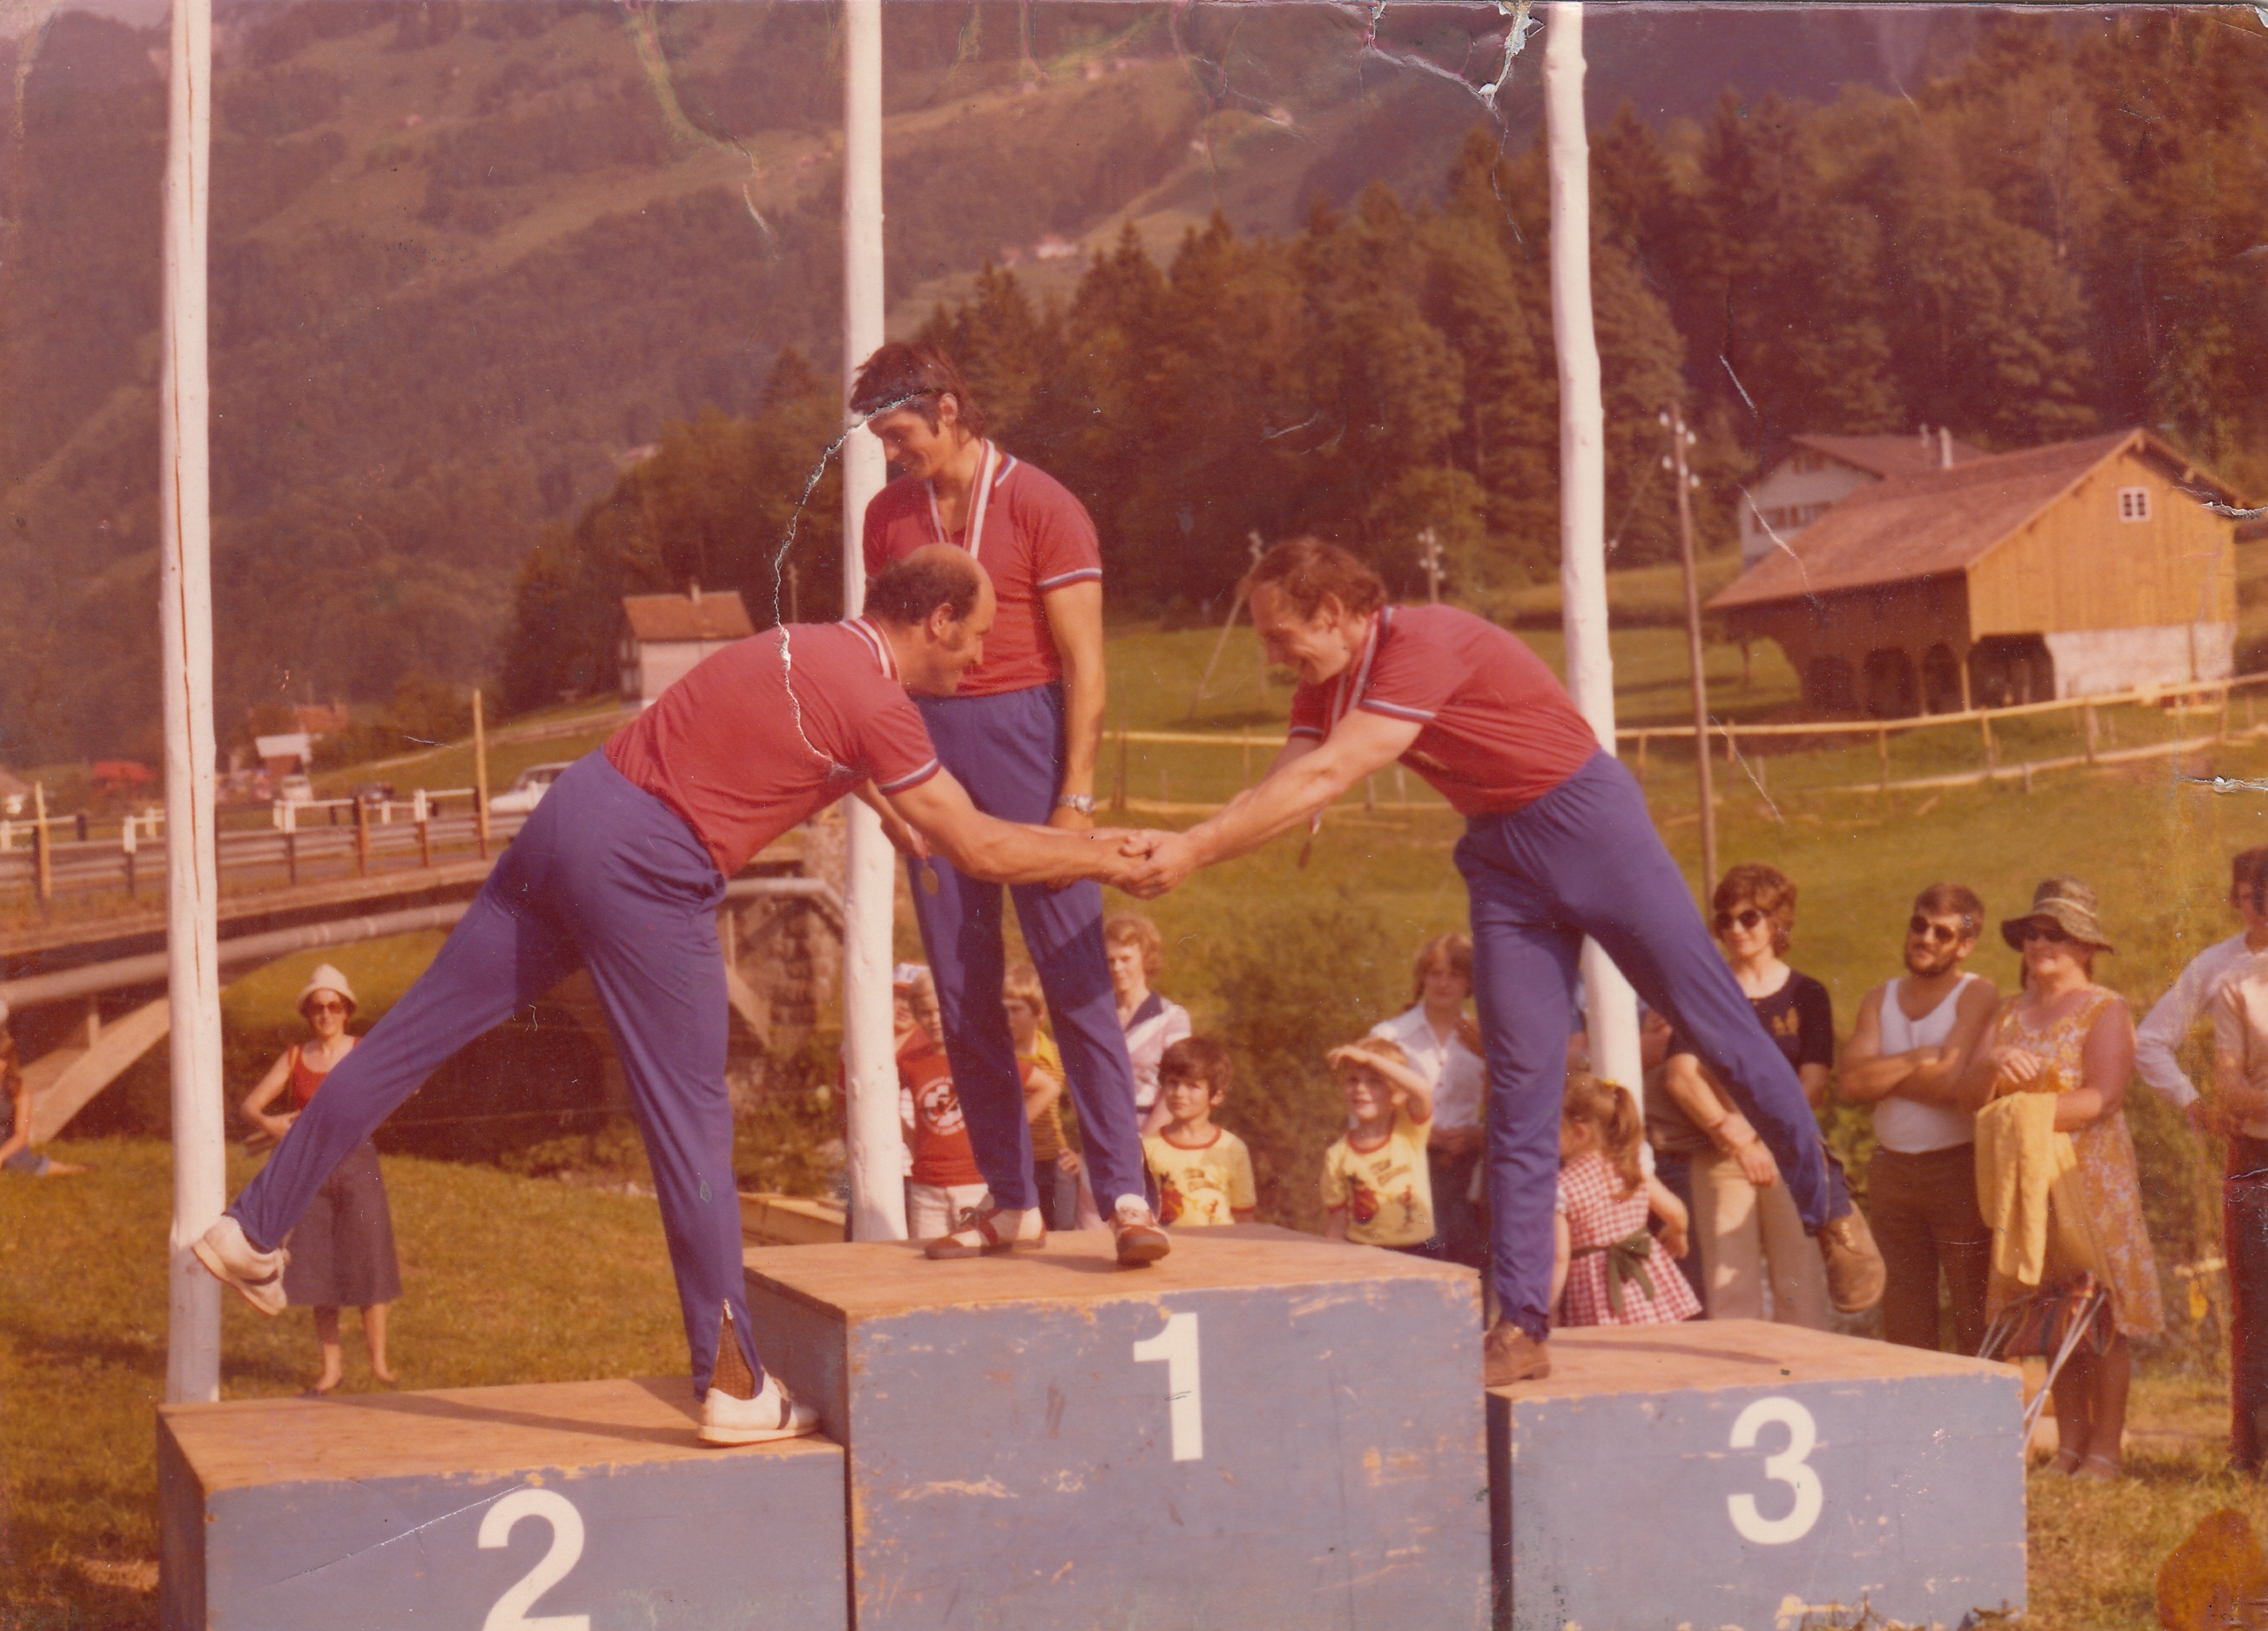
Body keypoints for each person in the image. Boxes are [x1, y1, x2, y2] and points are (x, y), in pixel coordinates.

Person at [196, 546, 1149, 1447]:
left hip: (569, 817)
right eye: (976, 635)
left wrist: (883, 804)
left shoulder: (799, 643)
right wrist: (1103, 854)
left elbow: (826, 742)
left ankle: (251, 1226)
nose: (980, 655)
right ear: (936, 619)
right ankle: (732, 1383)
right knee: (693, 1127)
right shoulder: (881, 703)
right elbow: (978, 843)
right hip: (650, 868)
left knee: (401, 1044)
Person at [1122, 539, 1882, 1384]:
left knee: (1720, 1026)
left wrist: (1193, 850)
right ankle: (1521, 1323)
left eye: (1278, 635)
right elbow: (1283, 782)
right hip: (1504, 859)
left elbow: (1330, 771)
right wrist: (1183, 841)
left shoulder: (1423, 643)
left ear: (1332, 613)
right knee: (1520, 1086)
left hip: (1590, 827)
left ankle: (1829, 1206)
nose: (1270, 656)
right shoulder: (1324, 679)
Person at [854, 343, 1165, 1268]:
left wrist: (1075, 795)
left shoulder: (1043, 504)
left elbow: (1085, 664)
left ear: (948, 410)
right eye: (878, 440)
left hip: (1029, 741)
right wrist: (887, 788)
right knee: (959, 984)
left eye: (899, 433)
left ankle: (1123, 1195)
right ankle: (1008, 1199)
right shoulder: (886, 516)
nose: (890, 454)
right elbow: (879, 659)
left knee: (1074, 972)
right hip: (928, 748)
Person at [1957, 876, 2161, 1481]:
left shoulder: (2105, 1008)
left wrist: (2022, 1111)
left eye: (2058, 934)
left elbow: (2103, 1097)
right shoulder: (2007, 1012)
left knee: (2100, 1310)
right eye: (2034, 932)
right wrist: (1993, 1061)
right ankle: (2069, 1444)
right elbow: (1968, 1096)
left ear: (2086, 947)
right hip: (2029, 1182)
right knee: (2050, 1310)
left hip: (2088, 1174)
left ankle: (2106, 1450)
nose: (2042, 944)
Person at [1657, 864, 1835, 1329]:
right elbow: (1681, 1077)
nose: (1736, 930)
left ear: (1778, 921)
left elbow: (1813, 1085)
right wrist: (1735, 1138)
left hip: (1791, 1152)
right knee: (1728, 1295)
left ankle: (1805, 1374)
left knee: (1801, 1288)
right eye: (1726, 920)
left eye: (1749, 918)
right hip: (1720, 1153)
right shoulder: (1707, 994)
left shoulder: (1807, 994)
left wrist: (1754, 1128)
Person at [1839, 884, 2000, 1353]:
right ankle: (1917, 1403)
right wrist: (1916, 1059)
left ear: (1965, 945)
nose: (1926, 938)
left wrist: (1883, 1074)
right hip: (1892, 1171)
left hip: (1958, 1169)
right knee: (1904, 1313)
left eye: (1942, 933)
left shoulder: (1976, 993)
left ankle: (1982, 1401)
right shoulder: (1879, 998)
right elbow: (1850, 1082)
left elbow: (1952, 1085)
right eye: (1919, 925)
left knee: (1974, 1307)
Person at [239, 965, 400, 1395]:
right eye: (317, 1008)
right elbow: (250, 1106)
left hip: (358, 1165)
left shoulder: (364, 1051)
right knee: (317, 1268)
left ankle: (379, 1364)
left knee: (370, 1261)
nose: (325, 1014)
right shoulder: (295, 1057)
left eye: (333, 1006)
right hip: (309, 1172)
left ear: (346, 1012)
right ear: (309, 1015)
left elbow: (402, 1082)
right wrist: (271, 1125)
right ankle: (331, 1370)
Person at [1370, 934, 1488, 1267]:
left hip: (1466, 1168)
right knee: (1412, 1261)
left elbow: (1507, 1103)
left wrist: (1478, 1136)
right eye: (1435, 973)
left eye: (1455, 975)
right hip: (1407, 1164)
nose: (1443, 983)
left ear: (1469, 982)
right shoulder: (1390, 1035)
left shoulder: (1482, 1038)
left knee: (1466, 1264)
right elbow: (1366, 1108)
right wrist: (1415, 1131)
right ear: (1422, 978)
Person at [2135, 845, 2268, 1130]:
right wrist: (2197, 1107)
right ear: (2236, 899)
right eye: (2249, 897)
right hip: (2255, 1134)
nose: (2262, 908)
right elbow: (2149, 1041)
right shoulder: (2216, 964)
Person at [1552, 1074, 1699, 1327]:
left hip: (1595, 1288)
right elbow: (1675, 1211)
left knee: (1606, 1346)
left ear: (1579, 1132)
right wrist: (1678, 1232)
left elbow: (1559, 1258)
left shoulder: (1560, 1188)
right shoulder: (1630, 1165)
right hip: (1641, 1275)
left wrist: (1550, 1308)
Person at [2207, 934, 2268, 1472]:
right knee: (2256, 1310)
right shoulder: (2241, 984)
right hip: (2258, 1156)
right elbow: (2229, 1088)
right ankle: (2250, 1452)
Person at [1321, 1036, 1436, 1256]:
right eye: (1352, 1080)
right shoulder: (1337, 1155)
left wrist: (1369, 1058)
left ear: (1398, 1094)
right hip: (1364, 1252)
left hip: (1418, 1250)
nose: (1360, 1089)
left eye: (1374, 1081)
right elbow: (1337, 1221)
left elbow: (1422, 1090)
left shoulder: (1409, 1130)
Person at [899, 970, 988, 1241]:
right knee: (927, 1254)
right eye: (926, 1013)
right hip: (927, 1187)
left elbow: (1042, 1086)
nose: (935, 1020)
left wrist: (1004, 1135)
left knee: (977, 1256)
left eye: (941, 1010)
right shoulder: (910, 1061)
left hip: (975, 1182)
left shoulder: (976, 1055)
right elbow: (882, 1099)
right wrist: (909, 1137)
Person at [1142, 1037, 1256, 1227]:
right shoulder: (1148, 1147)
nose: (1179, 1093)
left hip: (1221, 1244)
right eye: (1173, 1083)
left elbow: (1244, 1217)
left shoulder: (1233, 1148)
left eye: (1193, 1086)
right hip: (1169, 1243)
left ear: (1217, 1096)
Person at [1003, 961, 1074, 1230]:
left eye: (1015, 1010)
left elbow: (1084, 1108)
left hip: (1055, 1160)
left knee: (1063, 1232)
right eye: (1002, 1009)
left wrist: (1083, 1155)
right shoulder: (998, 1059)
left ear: (1038, 1013)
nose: (1007, 1017)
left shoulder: (1058, 1055)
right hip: (1015, 1161)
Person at [1105, 912, 1192, 1133]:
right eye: (1110, 960)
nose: (1117, 968)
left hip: (1154, 1131)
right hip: (1103, 1131)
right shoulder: (1099, 1017)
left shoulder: (1171, 1017)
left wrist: (1145, 1144)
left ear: (1145, 958)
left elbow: (1179, 1086)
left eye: (1126, 959)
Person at [0, 998, 86, 1179]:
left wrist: (1, 1156)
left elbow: (21, 1135)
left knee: (18, 1166)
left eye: (0, 1059)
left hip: (8, 1145)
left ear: (8, 1062)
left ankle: (69, 1169)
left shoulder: (20, 1092)